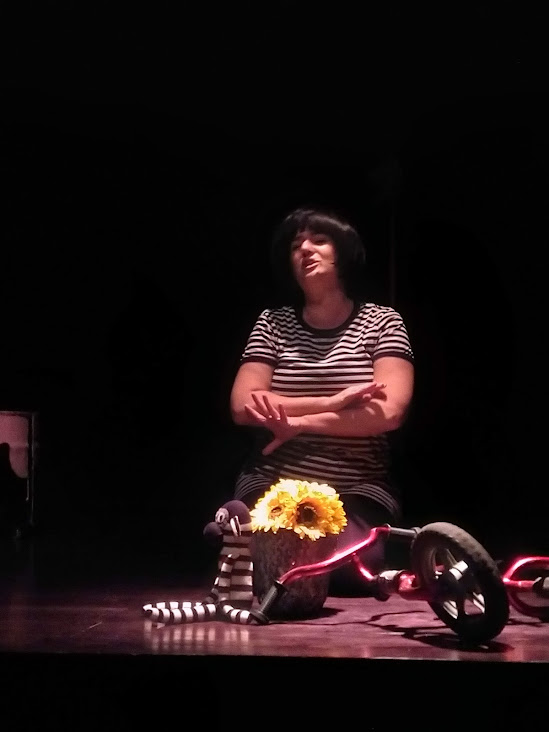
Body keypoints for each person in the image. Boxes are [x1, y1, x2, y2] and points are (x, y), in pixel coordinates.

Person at [229, 206, 414, 595]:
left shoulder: (382, 322)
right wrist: (334, 401)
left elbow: (389, 412)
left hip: (356, 486)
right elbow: (244, 405)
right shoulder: (273, 323)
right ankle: (244, 537)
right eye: (296, 245)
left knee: (348, 568)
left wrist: (297, 423)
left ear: (343, 251)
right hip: (274, 481)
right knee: (272, 558)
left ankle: (245, 544)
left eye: (319, 240)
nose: (305, 250)